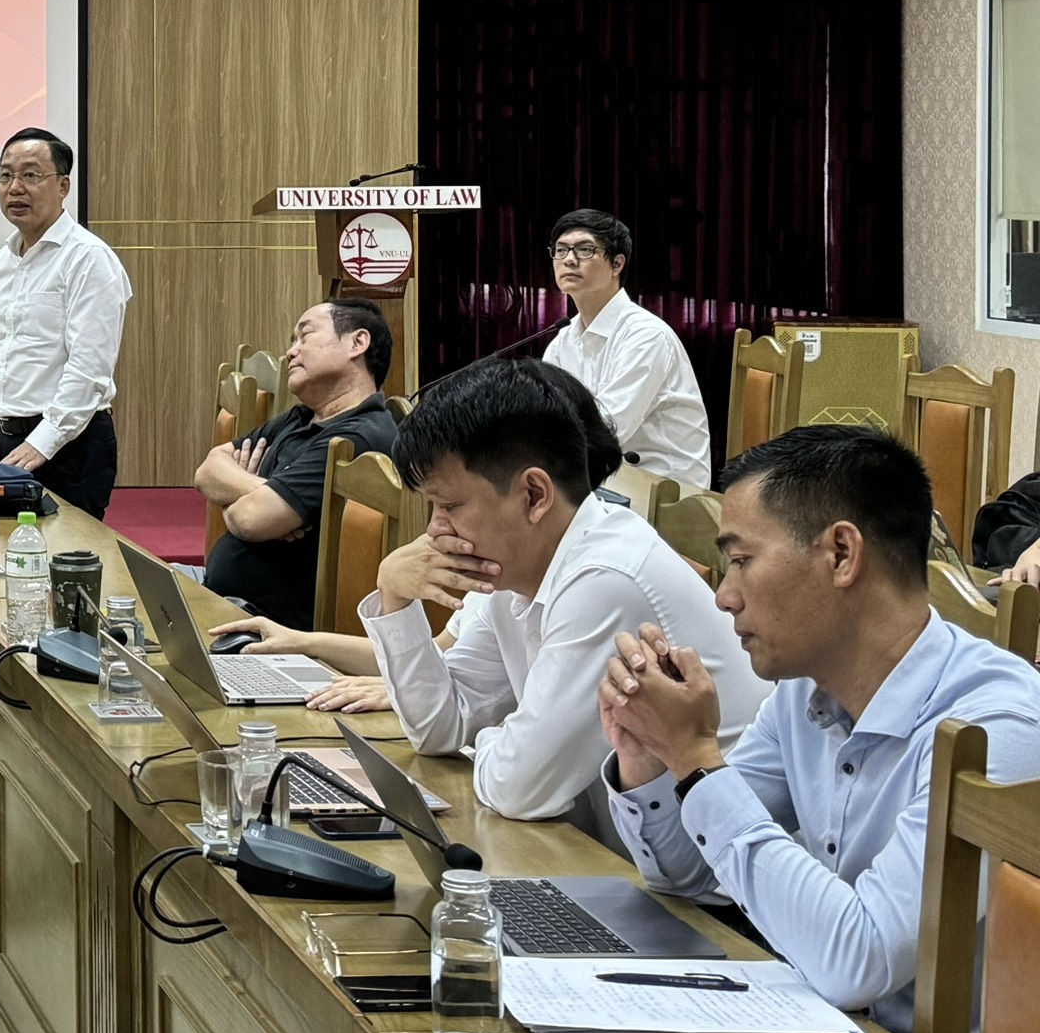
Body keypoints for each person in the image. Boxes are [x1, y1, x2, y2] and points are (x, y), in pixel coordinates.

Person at [600, 426, 1040, 1033]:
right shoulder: (806, 691)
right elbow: (691, 873)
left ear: (841, 554)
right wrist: (650, 756)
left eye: (741, 561)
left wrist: (697, 760)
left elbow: (860, 961)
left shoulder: (996, 726)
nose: (724, 597)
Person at [359, 358, 765, 823]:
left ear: (535, 495)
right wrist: (395, 598)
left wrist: (494, 738)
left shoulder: (604, 577)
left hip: (708, 860)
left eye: (449, 505)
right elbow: (439, 727)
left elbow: (521, 788)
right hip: (620, 847)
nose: (435, 531)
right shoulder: (514, 575)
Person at [208, 362, 623, 713]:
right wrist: (305, 643)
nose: (436, 529)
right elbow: (445, 659)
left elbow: (513, 759)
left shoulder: (594, 579)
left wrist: (406, 691)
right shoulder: (507, 569)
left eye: (450, 505)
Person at [0, 127, 132, 517]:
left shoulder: (88, 259)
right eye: (6, 175)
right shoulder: (1, 264)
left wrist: (43, 442)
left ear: (63, 186)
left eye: (31, 175)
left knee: (63, 552)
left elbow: (89, 367)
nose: (15, 187)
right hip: (9, 442)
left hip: (70, 446)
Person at [193, 299, 399, 629]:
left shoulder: (355, 438)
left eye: (305, 335)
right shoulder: (301, 417)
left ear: (357, 343)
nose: (291, 351)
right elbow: (207, 470)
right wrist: (266, 490)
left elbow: (251, 519)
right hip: (223, 602)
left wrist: (233, 500)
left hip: (265, 629)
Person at [539, 206, 712, 489]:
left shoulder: (646, 336)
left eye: (584, 250)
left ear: (617, 264)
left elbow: (608, 430)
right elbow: (548, 415)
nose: (569, 260)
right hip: (605, 477)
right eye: (560, 250)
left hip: (666, 488)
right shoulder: (563, 341)